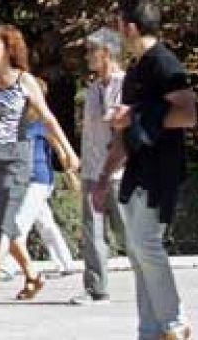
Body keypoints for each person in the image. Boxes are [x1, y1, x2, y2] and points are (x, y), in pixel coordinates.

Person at [92, 0, 197, 340]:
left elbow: (187, 114)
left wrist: (136, 114)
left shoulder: (165, 63)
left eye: (119, 24)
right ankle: (150, 329)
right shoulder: (136, 70)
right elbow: (125, 134)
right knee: (137, 251)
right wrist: (104, 177)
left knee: (146, 244)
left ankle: (174, 321)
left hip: (162, 168)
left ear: (131, 28)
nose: (118, 31)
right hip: (137, 167)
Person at [0, 24, 79, 304]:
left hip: (15, 160)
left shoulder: (25, 81)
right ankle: (32, 275)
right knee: (4, 221)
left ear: (9, 49)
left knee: (0, 223)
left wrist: (68, 151)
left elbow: (48, 118)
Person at [72, 27, 128, 306]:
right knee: (92, 232)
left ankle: (152, 280)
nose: (87, 57)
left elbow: (125, 132)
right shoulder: (92, 89)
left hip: (119, 172)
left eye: (91, 51)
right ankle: (96, 289)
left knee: (128, 232)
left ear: (106, 53)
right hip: (93, 171)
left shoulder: (126, 85)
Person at [0, 114, 77, 278]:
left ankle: (9, 266)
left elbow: (59, 150)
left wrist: (70, 174)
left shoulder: (42, 126)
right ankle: (66, 263)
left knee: (20, 221)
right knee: (46, 223)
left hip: (39, 180)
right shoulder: (13, 126)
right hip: (23, 180)